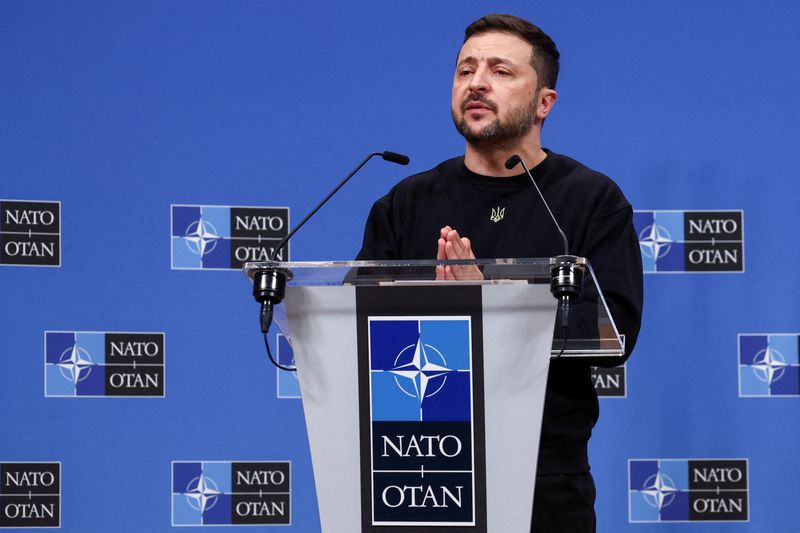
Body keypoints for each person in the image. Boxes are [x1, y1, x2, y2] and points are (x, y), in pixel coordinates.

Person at [356, 13, 643, 533]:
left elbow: (616, 332)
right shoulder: (405, 202)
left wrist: (492, 306)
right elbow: (357, 324)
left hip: (544, 475)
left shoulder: (589, 200)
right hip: (420, 466)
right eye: (465, 69)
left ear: (544, 103)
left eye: (500, 71)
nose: (477, 83)